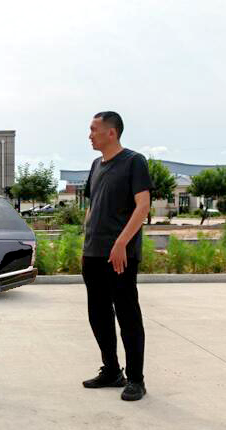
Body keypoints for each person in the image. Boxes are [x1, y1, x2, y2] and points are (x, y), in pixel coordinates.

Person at [80, 111, 152, 401]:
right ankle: (111, 370)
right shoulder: (96, 165)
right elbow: (92, 205)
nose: (90, 135)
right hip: (93, 253)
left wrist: (122, 242)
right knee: (98, 314)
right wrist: (87, 237)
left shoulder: (134, 162)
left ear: (111, 132)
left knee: (127, 315)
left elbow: (143, 206)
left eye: (93, 129)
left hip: (120, 255)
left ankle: (136, 379)